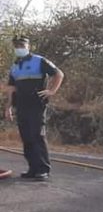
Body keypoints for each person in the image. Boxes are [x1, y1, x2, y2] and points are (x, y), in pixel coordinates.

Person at [5, 36, 63, 180]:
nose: (19, 48)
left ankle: (43, 169)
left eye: (22, 45)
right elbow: (11, 88)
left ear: (28, 46)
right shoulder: (15, 66)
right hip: (21, 105)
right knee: (26, 137)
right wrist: (8, 107)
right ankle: (33, 168)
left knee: (37, 135)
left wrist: (52, 91)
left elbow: (58, 74)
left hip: (36, 104)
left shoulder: (39, 61)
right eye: (17, 46)